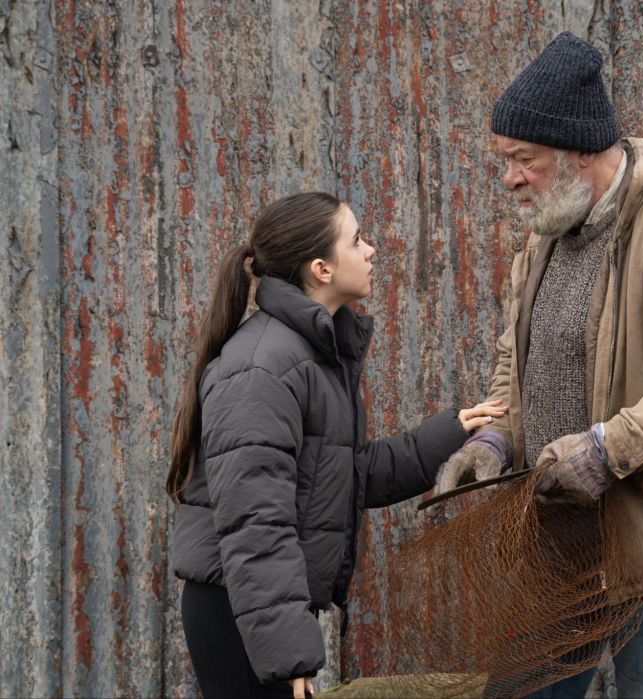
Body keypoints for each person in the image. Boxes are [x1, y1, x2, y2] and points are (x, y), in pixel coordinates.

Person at [434, 33, 643, 698]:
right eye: (504, 160)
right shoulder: (547, 234)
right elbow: (518, 360)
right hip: (556, 537)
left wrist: (606, 446)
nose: (508, 178)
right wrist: (495, 438)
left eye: (521, 160)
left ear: (579, 154)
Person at [167, 192, 506, 699]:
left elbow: (343, 476)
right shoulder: (263, 366)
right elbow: (257, 521)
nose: (371, 250)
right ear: (321, 268)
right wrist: (285, 647)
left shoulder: (309, 352)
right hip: (243, 611)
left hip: (261, 606)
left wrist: (452, 431)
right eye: (357, 240)